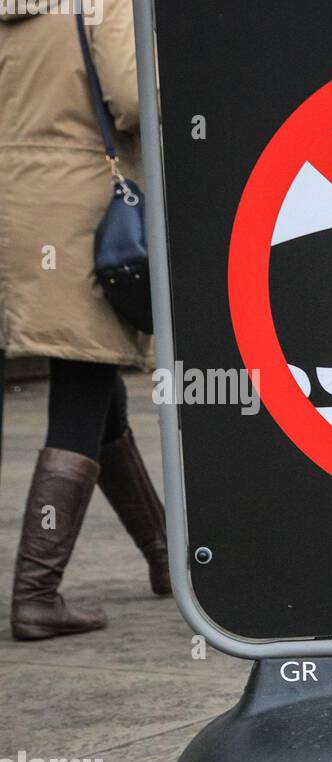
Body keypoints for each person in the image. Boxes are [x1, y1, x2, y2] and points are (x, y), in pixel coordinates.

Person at [0, 0, 170, 641]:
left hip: (18, 207)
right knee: (81, 383)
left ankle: (163, 556)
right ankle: (37, 594)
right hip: (81, 207)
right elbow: (133, 98)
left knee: (96, 381)